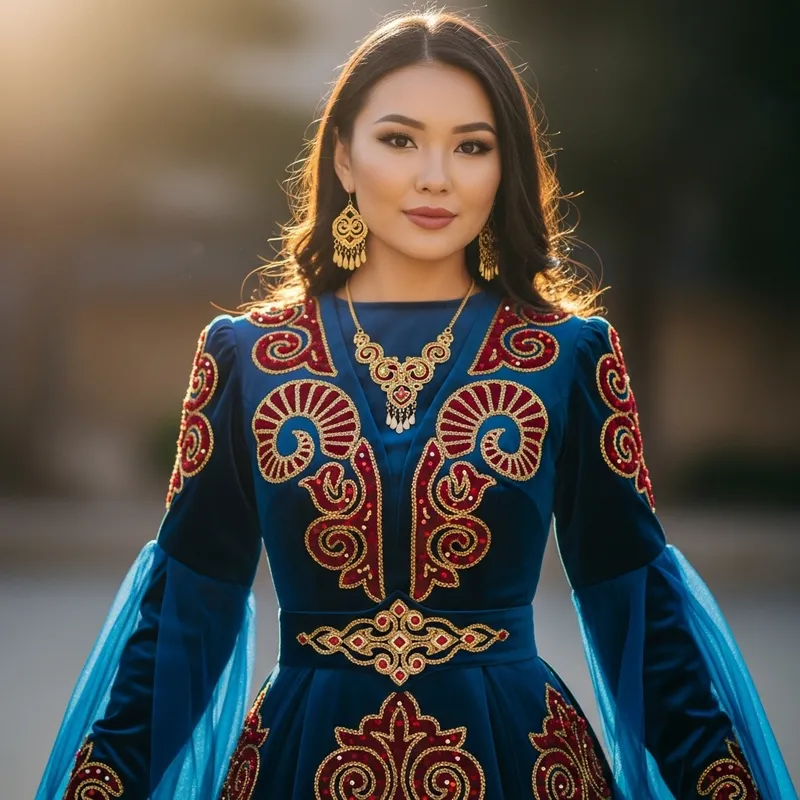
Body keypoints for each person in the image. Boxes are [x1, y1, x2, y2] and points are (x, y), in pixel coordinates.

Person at [37, 9, 795, 800]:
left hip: (521, 765)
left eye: (472, 146)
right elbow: (182, 626)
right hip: (304, 767)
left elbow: (641, 623)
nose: (436, 176)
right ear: (343, 157)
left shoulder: (567, 357)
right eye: (400, 140)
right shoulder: (248, 357)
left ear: (506, 168)